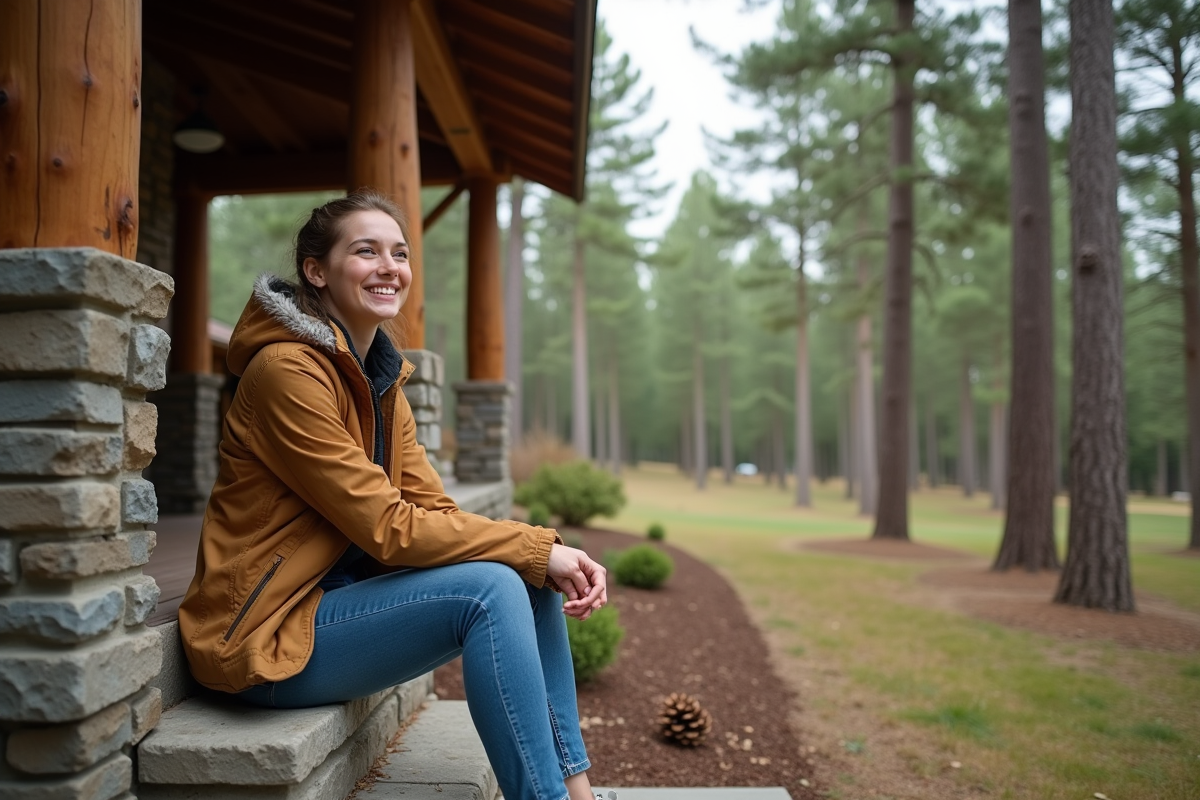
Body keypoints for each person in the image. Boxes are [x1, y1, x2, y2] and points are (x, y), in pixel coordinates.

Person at [178, 189, 608, 800]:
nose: (389, 267)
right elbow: (387, 526)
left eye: (399, 253)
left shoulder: (381, 383)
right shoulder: (286, 373)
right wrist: (538, 546)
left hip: (335, 611)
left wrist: (536, 554)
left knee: (524, 572)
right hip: (264, 637)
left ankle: (577, 792)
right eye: (366, 251)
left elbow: (433, 512)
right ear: (316, 271)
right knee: (492, 586)